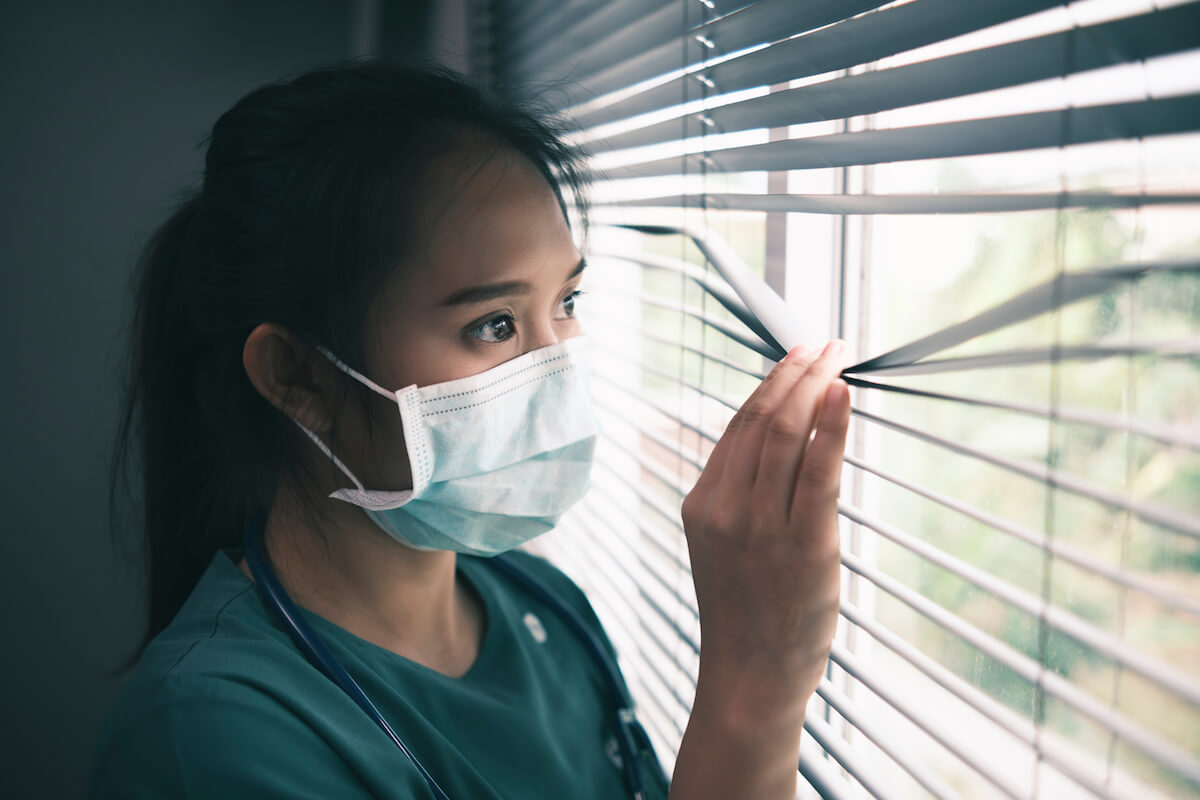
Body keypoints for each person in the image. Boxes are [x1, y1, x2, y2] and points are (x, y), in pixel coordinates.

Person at [91, 61, 851, 799]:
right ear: (299, 377)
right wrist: (755, 691)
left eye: (568, 301)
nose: (559, 368)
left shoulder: (546, 607)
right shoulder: (217, 735)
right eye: (493, 324)